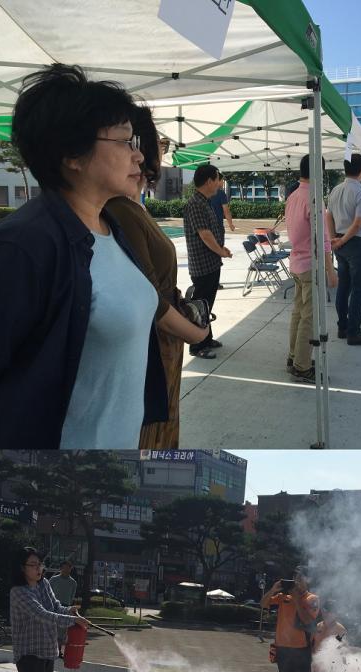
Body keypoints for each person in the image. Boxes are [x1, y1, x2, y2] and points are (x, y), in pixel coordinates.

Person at [0, 64, 209, 449]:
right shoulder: (18, 250)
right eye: (125, 141)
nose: (139, 157)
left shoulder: (110, 227)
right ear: (73, 153)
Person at [107, 108, 204, 449]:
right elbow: (148, 296)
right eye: (159, 142)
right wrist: (196, 332)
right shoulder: (120, 209)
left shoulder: (132, 205)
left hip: (164, 340)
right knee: (151, 438)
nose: (157, 152)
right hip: (153, 344)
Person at [284, 154, 338, 383]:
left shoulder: (293, 196)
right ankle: (302, 365)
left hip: (296, 263)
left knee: (298, 313)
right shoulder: (314, 198)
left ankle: (295, 356)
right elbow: (323, 238)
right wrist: (330, 269)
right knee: (309, 317)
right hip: (309, 265)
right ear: (320, 172)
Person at [327, 154, 361, 346]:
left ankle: (343, 326)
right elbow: (358, 223)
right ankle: (354, 332)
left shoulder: (335, 190)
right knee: (359, 288)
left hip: (339, 240)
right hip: (356, 242)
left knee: (344, 286)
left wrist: (335, 239)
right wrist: (341, 241)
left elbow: (328, 216)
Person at [183, 164, 232, 359]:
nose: (220, 184)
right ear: (209, 181)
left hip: (211, 263)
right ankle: (197, 345)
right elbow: (205, 235)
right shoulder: (195, 203)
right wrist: (220, 250)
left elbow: (211, 232)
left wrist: (221, 250)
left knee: (207, 304)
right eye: (218, 179)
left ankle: (206, 337)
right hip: (202, 265)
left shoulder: (205, 202)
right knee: (200, 306)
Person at [261, 569, 319, 672]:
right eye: (295, 579)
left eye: (300, 579)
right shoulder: (283, 597)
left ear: (307, 581)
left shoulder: (312, 599)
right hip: (282, 650)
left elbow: (306, 620)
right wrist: (273, 590)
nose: (297, 582)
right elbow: (263, 604)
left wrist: (297, 599)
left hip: (301, 651)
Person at [311, 600, 347, 672]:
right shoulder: (318, 626)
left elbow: (343, 652)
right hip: (317, 670)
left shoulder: (340, 630)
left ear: (335, 613)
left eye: (330, 611)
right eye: (325, 610)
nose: (326, 614)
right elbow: (313, 646)